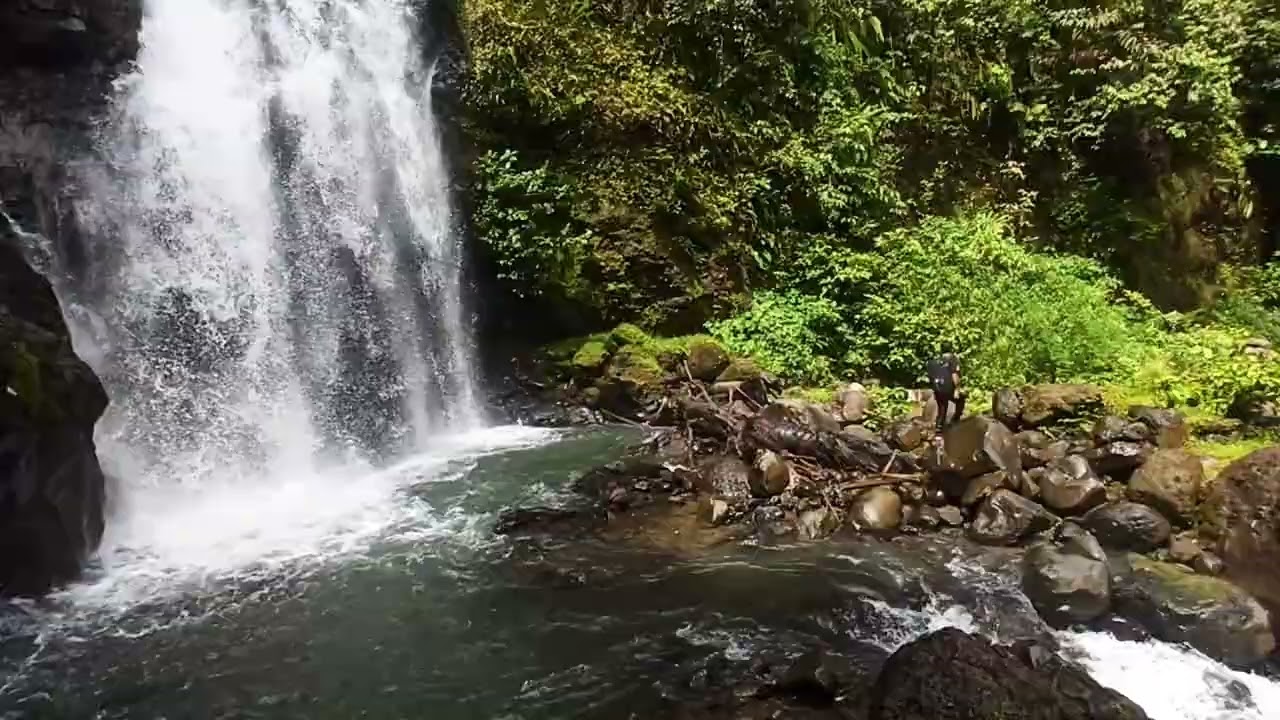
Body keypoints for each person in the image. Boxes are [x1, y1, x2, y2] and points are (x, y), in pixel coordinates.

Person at [926, 347, 965, 434]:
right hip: (948, 390)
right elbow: (955, 376)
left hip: (938, 390)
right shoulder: (952, 359)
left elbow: (930, 376)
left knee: (942, 409)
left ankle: (939, 429)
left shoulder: (935, 361)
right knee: (961, 399)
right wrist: (957, 389)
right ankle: (955, 420)